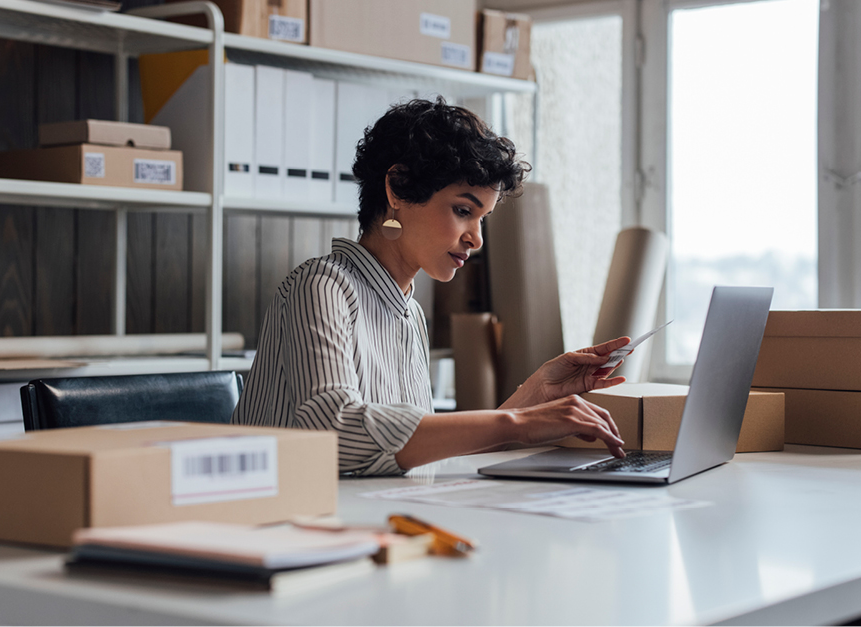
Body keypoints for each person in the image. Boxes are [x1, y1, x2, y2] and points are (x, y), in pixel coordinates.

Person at [232, 98, 630, 475]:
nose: (476, 239)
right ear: (398, 188)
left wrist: (538, 392)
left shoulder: (409, 313)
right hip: (287, 528)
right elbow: (336, 431)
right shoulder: (320, 286)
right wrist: (517, 422)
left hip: (375, 519)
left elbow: (419, 454)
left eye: (482, 219)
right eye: (463, 211)